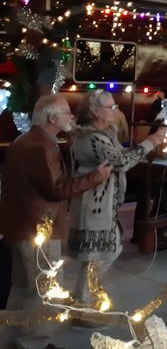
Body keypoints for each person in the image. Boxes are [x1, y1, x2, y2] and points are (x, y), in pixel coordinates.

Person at [0, 95, 111, 345]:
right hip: (38, 231)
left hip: (21, 229)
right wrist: (96, 176)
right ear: (52, 118)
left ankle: (15, 340)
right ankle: (34, 342)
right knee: (45, 293)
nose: (71, 116)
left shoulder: (26, 140)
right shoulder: (40, 146)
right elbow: (57, 189)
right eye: (66, 113)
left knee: (23, 289)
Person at [67, 91, 166, 322]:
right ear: (94, 112)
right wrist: (149, 142)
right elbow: (121, 161)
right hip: (93, 207)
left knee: (104, 251)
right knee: (97, 256)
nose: (115, 112)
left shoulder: (103, 134)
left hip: (102, 206)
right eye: (110, 108)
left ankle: (84, 301)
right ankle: (82, 307)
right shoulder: (91, 138)